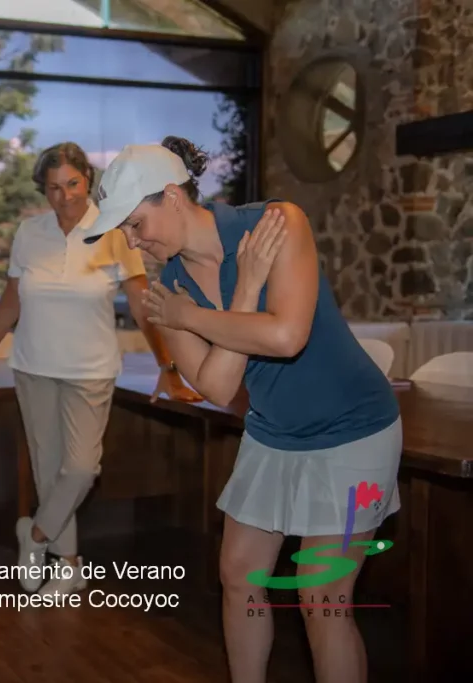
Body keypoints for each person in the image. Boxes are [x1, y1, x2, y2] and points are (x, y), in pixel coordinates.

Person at [82, 136, 402, 683]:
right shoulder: (170, 287)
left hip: (355, 428)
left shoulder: (278, 223)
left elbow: (286, 336)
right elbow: (218, 385)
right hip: (273, 430)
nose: (133, 242)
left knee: (321, 597)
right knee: (238, 574)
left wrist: (191, 317)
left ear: (173, 197)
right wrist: (246, 290)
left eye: (135, 224)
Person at [0, 142, 201, 596]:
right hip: (33, 368)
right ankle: (69, 565)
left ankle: (34, 536)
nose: (64, 195)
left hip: (90, 371)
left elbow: (143, 307)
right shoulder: (29, 233)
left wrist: (167, 365)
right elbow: (11, 300)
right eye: (53, 187)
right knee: (49, 472)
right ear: (43, 191)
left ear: (87, 180)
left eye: (72, 183)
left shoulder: (114, 230)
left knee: (82, 468)